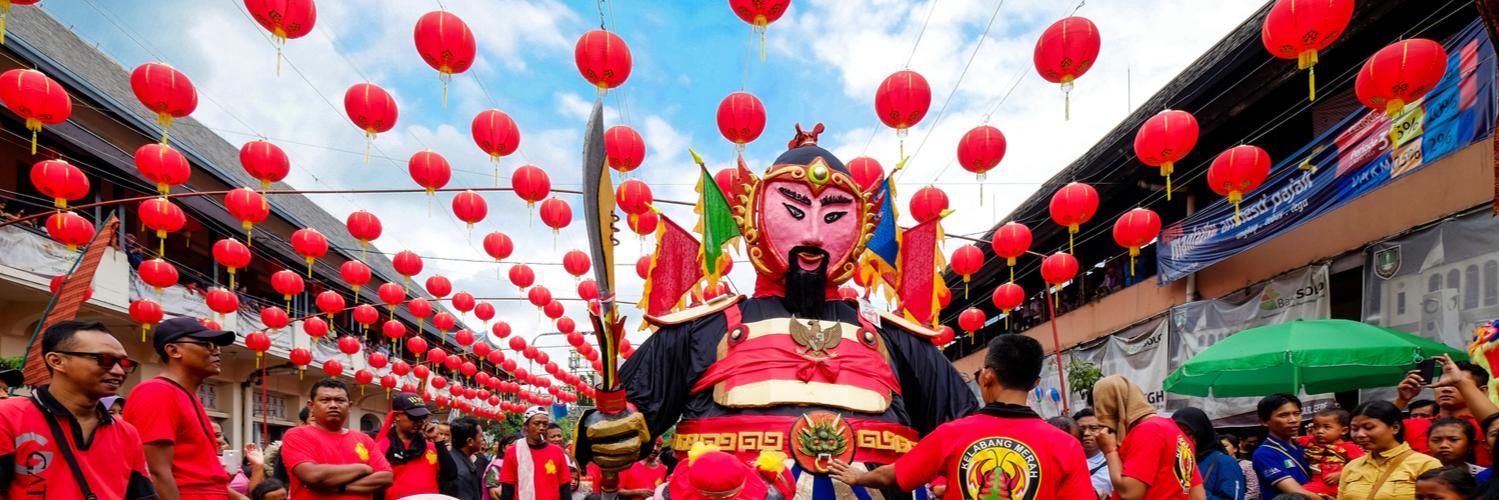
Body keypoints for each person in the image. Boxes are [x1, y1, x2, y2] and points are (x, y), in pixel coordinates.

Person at [581, 126, 979, 500]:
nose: (813, 235)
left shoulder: (894, 337)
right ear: (754, 218)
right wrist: (611, 429)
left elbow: (968, 432)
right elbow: (627, 418)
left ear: (860, 229)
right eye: (793, 211)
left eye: (834, 217)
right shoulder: (704, 328)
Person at [828, 334, 1095, 498]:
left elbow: (894, 476)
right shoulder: (1066, 445)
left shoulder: (952, 433)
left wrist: (858, 476)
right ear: (1036, 383)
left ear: (987, 376)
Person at [0, 320, 156, 498]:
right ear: (56, 361)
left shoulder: (127, 433)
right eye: (104, 359)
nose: (118, 371)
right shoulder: (8, 417)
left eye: (124, 363)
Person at [125, 316, 239, 500]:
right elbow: (156, 473)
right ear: (173, 350)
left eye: (217, 346)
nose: (217, 351)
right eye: (207, 344)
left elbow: (201, 475)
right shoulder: (156, 391)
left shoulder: (187, 395)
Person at [1093, 375, 1206, 499]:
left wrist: (1110, 451)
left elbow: (1130, 493)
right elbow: (1198, 496)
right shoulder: (1177, 433)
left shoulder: (1147, 431)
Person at [280, 378, 393, 498]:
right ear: (311, 406)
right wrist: (363, 468)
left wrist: (340, 488)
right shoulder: (297, 435)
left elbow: (386, 478)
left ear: (349, 406)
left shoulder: (364, 439)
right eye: (325, 400)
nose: (333, 405)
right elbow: (313, 475)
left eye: (340, 400)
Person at [1397, 360, 1493, 466]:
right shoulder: (1411, 425)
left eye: (1456, 383)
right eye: (1442, 384)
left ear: (1482, 391)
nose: (1446, 389)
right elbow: (1382, 428)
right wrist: (1402, 400)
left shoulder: (1489, 427)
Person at [1339, 400, 1442, 498]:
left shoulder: (1426, 465)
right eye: (1355, 429)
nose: (1360, 434)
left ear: (1395, 428)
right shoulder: (1351, 467)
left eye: (1369, 427)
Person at [376, 392, 457, 498]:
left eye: (422, 417)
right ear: (397, 416)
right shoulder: (382, 447)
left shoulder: (432, 447)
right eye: (413, 417)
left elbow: (450, 475)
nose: (419, 422)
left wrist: (438, 439)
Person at [1251, 393, 1318, 498]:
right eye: (1284, 415)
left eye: (1297, 413)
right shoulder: (1264, 453)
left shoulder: (1303, 445)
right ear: (1264, 421)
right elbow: (1299, 493)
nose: (1293, 420)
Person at [500, 406, 573, 500]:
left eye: (545, 424)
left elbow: (565, 486)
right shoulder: (513, 452)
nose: (541, 428)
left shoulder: (557, 451)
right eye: (536, 423)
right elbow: (507, 488)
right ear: (526, 426)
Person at [1174, 407, 1246, 500]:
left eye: (1188, 433)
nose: (1182, 439)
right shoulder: (1174, 462)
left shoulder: (1225, 463)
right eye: (1176, 433)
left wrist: (1196, 491)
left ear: (1201, 433)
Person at [1294, 407, 1363, 497]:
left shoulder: (1349, 447)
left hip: (1331, 485)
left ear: (1344, 431)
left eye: (1327, 427)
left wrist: (1342, 474)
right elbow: (1294, 440)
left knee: (1298, 494)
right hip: (1313, 482)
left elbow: (1363, 465)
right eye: (1316, 427)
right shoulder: (1312, 441)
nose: (1319, 431)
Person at [443, 416, 487, 500]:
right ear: (470, 441)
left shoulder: (454, 458)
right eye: (480, 436)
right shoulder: (460, 470)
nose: (482, 440)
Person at [1078, 408, 1117, 499]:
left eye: (1093, 428)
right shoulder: (1067, 460)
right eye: (1081, 429)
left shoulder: (1112, 463)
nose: (1086, 433)